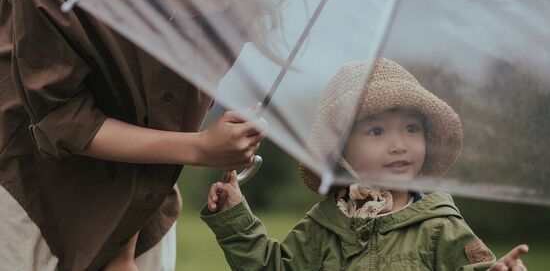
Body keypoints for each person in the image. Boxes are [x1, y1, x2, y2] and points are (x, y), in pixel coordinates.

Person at [0, 0, 279, 269]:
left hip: (145, 201)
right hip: (34, 193)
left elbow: (168, 112)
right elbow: (62, 119)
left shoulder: (233, 3)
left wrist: (124, 244)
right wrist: (202, 148)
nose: (202, 4)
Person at [201, 58, 528, 270]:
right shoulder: (324, 225)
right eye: (377, 131)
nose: (399, 144)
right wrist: (236, 219)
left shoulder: (439, 226)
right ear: (341, 151)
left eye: (411, 129)